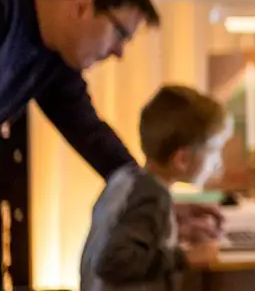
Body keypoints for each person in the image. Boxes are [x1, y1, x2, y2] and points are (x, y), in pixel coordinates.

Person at [0, 0, 222, 288]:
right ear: (83, 6)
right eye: (121, 34)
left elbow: (92, 136)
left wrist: (157, 202)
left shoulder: (53, 61)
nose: (119, 52)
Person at [80, 85, 227, 291]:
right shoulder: (153, 197)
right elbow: (113, 261)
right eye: (213, 151)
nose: (218, 162)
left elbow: (133, 239)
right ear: (182, 159)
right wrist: (185, 257)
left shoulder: (126, 178)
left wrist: (178, 232)